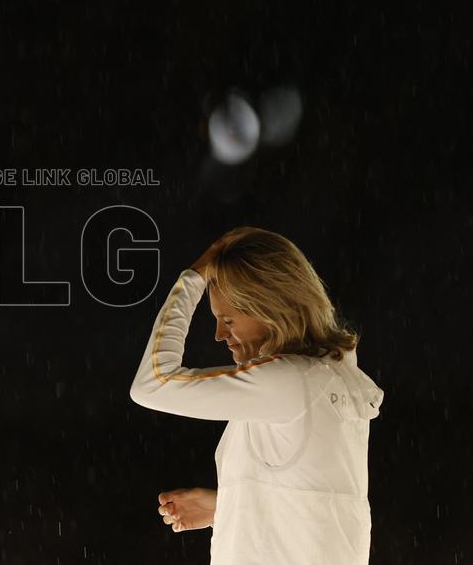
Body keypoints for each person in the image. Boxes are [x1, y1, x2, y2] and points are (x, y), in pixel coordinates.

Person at [129, 227, 384, 565]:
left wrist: (192, 279)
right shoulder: (326, 380)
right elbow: (318, 508)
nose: (220, 334)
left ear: (269, 306)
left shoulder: (288, 382)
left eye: (228, 319)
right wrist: (229, 505)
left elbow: (152, 384)